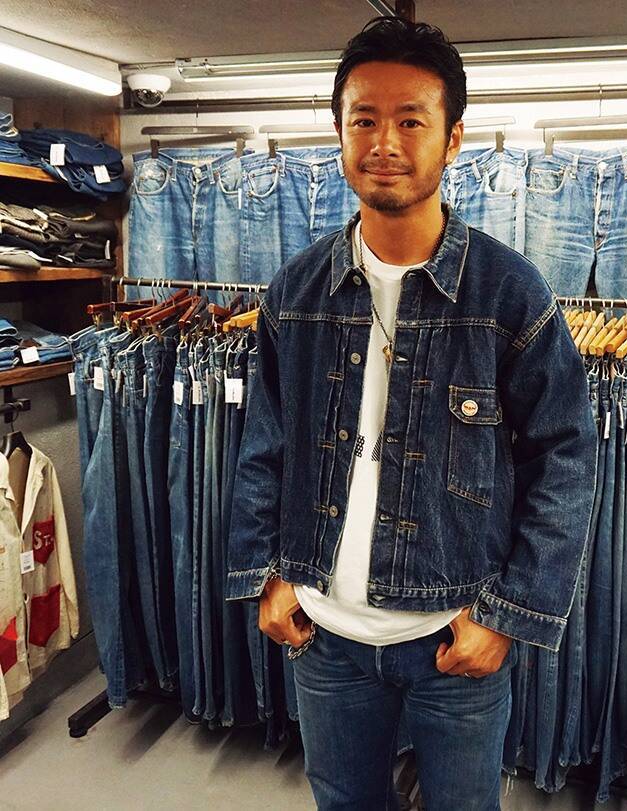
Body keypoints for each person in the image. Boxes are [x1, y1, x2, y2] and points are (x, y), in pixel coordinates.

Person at [227, 16, 597, 811]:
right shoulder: (296, 291)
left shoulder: (507, 292)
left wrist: (507, 614)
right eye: (364, 119)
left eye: (410, 121)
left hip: (451, 632)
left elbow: (566, 456)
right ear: (339, 133)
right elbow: (265, 441)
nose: (384, 142)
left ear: (452, 138)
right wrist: (267, 575)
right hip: (325, 634)